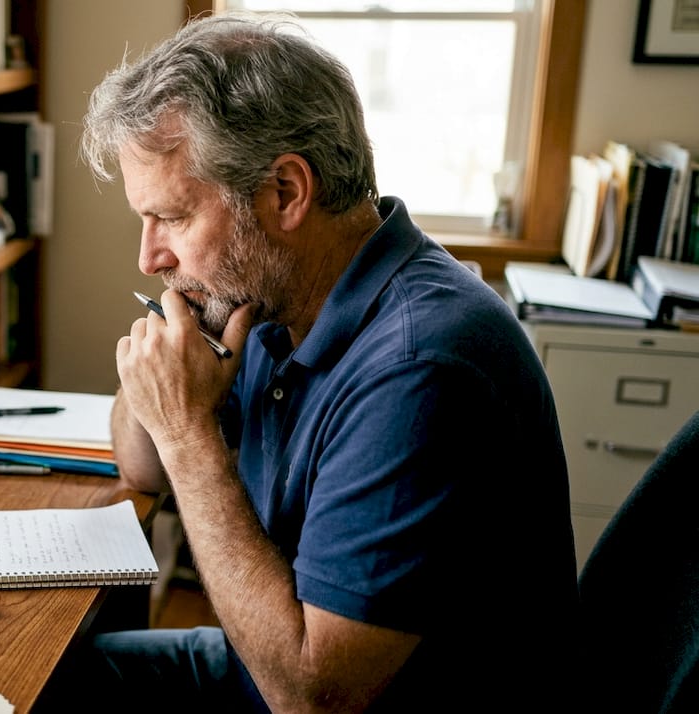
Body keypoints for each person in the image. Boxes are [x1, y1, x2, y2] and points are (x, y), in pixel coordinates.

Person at [40, 12, 577, 713]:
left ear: (286, 193)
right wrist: (168, 372)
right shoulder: (273, 295)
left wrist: (185, 431)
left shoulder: (422, 368)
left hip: (329, 694)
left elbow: (312, 695)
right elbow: (142, 468)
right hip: (266, 668)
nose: (148, 258)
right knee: (44, 684)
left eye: (171, 217)